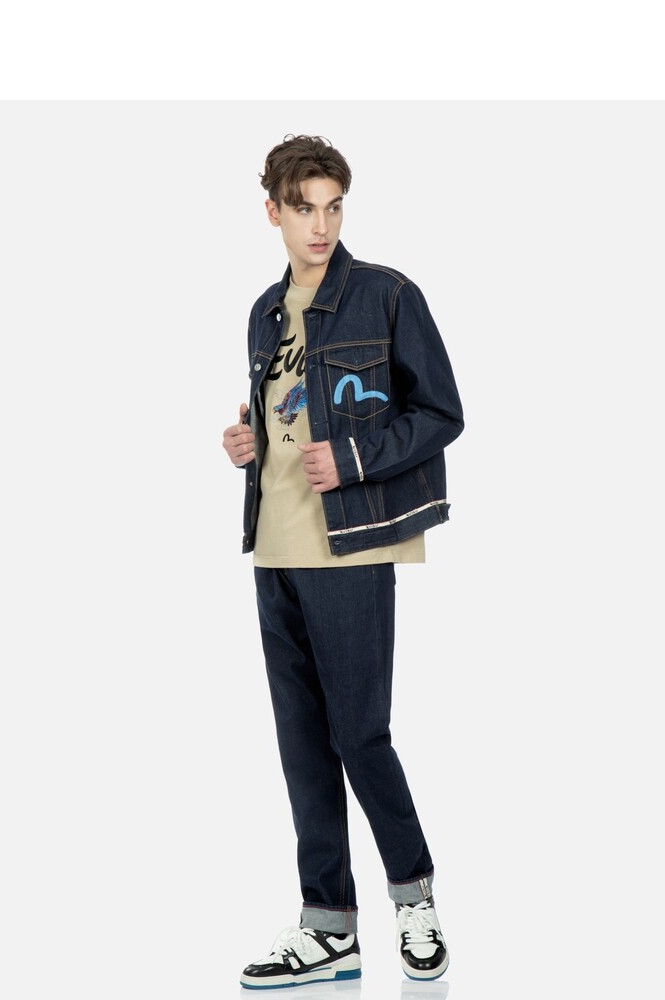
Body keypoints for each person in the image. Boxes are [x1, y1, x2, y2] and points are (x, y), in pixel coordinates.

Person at [222, 134, 464, 990]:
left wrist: (356, 459)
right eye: (304, 209)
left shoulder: (387, 295)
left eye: (333, 207)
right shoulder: (264, 311)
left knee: (361, 736)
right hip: (275, 550)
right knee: (301, 745)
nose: (320, 225)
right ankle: (328, 926)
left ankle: (414, 900)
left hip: (350, 548)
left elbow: (442, 412)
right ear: (274, 213)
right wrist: (248, 444)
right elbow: (286, 417)